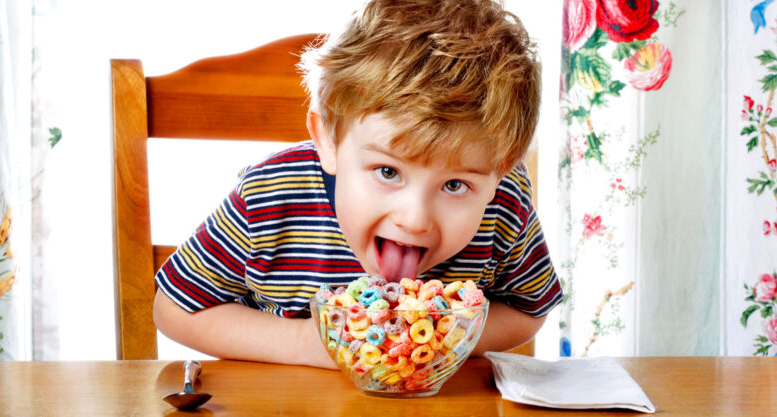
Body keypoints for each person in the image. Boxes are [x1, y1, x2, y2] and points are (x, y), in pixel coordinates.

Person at [153, 0, 562, 369]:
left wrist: (446, 340)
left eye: (455, 185)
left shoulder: (504, 202)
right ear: (328, 141)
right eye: (387, 172)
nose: (415, 220)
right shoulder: (271, 193)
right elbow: (174, 308)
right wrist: (303, 344)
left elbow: (530, 308)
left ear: (501, 170)